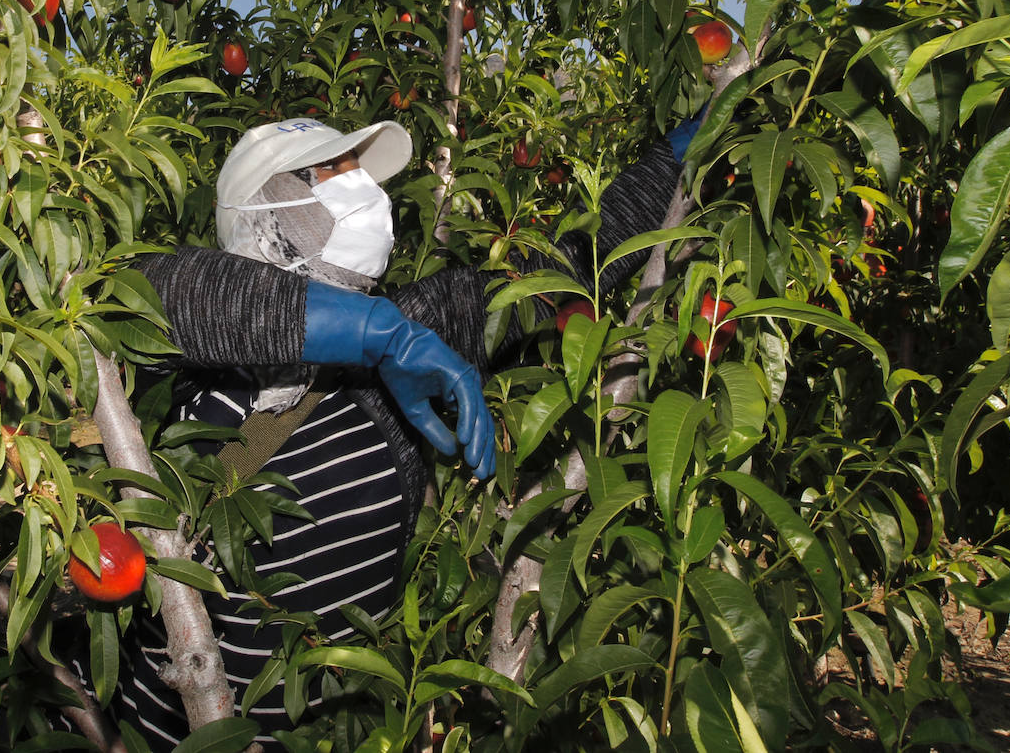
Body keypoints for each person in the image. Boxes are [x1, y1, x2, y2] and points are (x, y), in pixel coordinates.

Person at [90, 115, 695, 748]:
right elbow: (161, 292)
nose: (361, 188)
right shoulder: (199, 374)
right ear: (260, 211)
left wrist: (684, 147)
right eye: (329, 169)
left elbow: (561, 264)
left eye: (360, 169)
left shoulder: (415, 335)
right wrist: (375, 332)